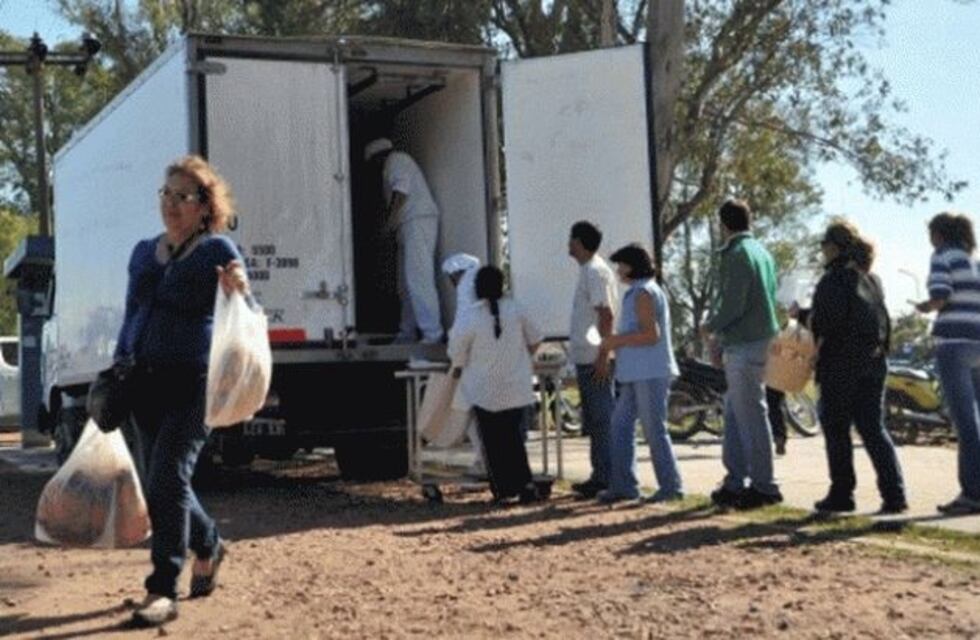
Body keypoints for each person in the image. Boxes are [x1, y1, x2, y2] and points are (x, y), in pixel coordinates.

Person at [116, 156, 251, 626]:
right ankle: (209, 542)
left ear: (204, 206)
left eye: (183, 197)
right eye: (166, 194)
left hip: (195, 384)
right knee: (162, 483)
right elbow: (131, 315)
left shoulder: (216, 250)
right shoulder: (141, 252)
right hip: (143, 380)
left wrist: (237, 288)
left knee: (168, 477)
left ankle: (161, 588)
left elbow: (243, 293)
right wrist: (118, 366)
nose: (171, 204)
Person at [808, 220, 906, 514]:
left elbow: (825, 323)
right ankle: (894, 494)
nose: (822, 252)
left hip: (841, 364)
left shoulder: (832, 280)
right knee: (873, 428)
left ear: (834, 247)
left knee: (837, 429)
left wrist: (803, 318)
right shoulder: (871, 280)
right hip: (874, 363)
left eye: (824, 245)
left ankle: (842, 493)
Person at [702, 200, 782, 510]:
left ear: (723, 224)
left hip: (744, 342)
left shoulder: (735, 254)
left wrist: (711, 328)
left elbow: (733, 304)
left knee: (750, 415)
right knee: (735, 412)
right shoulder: (761, 251)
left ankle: (764, 485)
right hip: (760, 339)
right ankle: (735, 480)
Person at [595, 245, 683, 504]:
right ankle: (623, 485)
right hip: (636, 373)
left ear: (632, 266)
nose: (618, 270)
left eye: (621, 265)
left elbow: (650, 334)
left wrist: (616, 341)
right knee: (620, 425)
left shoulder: (644, 292)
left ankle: (671, 486)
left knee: (654, 429)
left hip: (651, 371)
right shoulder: (636, 292)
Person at [448, 266, 543, 503]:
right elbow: (536, 339)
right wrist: (522, 360)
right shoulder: (517, 308)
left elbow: (456, 352)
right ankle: (526, 484)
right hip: (516, 386)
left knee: (493, 443)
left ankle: (503, 489)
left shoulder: (471, 315)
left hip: (483, 389)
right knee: (514, 439)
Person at [916, 212, 980, 515]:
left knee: (965, 422)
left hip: (953, 342)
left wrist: (925, 306)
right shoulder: (974, 263)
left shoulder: (942, 256)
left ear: (939, 234)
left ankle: (972, 493)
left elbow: (941, 295)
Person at [365, 138, 443, 344]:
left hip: (417, 220)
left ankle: (432, 333)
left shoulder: (396, 160)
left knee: (418, 278)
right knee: (406, 282)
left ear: (378, 157)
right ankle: (407, 331)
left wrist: (389, 224)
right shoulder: (394, 164)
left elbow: (401, 192)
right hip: (408, 224)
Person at [566, 221, 618, 498]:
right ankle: (600, 475)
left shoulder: (596, 272)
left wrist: (603, 355)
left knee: (602, 418)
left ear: (580, 242)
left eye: (572, 239)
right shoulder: (588, 271)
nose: (568, 244)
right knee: (595, 420)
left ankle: (606, 477)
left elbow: (605, 315)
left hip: (595, 358)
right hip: (586, 357)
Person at [441, 253, 484, 476]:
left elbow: (460, 334)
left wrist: (455, 360)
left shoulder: (465, 292)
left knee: (471, 417)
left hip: (473, 367)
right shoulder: (480, 289)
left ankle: (483, 462)